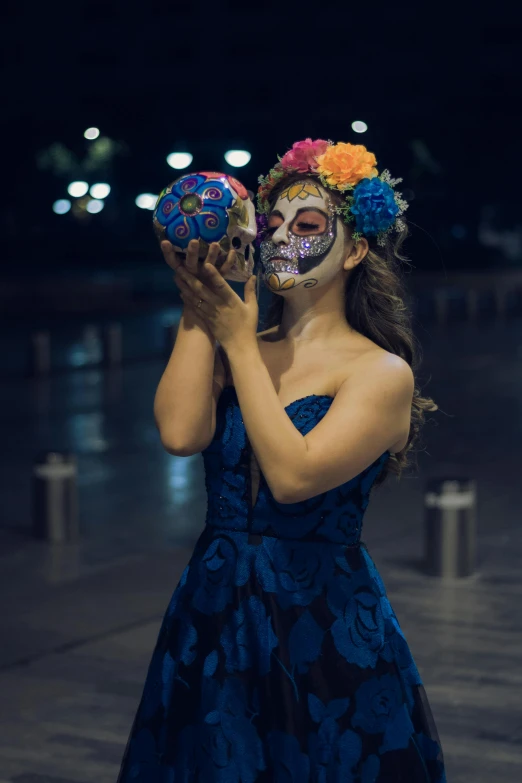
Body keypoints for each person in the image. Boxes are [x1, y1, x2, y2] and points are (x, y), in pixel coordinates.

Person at [117, 138, 446, 782]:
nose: (283, 237)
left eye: (310, 225)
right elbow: (181, 435)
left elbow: (293, 477)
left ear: (353, 250)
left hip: (318, 618)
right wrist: (199, 299)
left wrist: (239, 344)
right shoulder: (242, 341)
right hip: (212, 606)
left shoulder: (381, 372)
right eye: (271, 225)